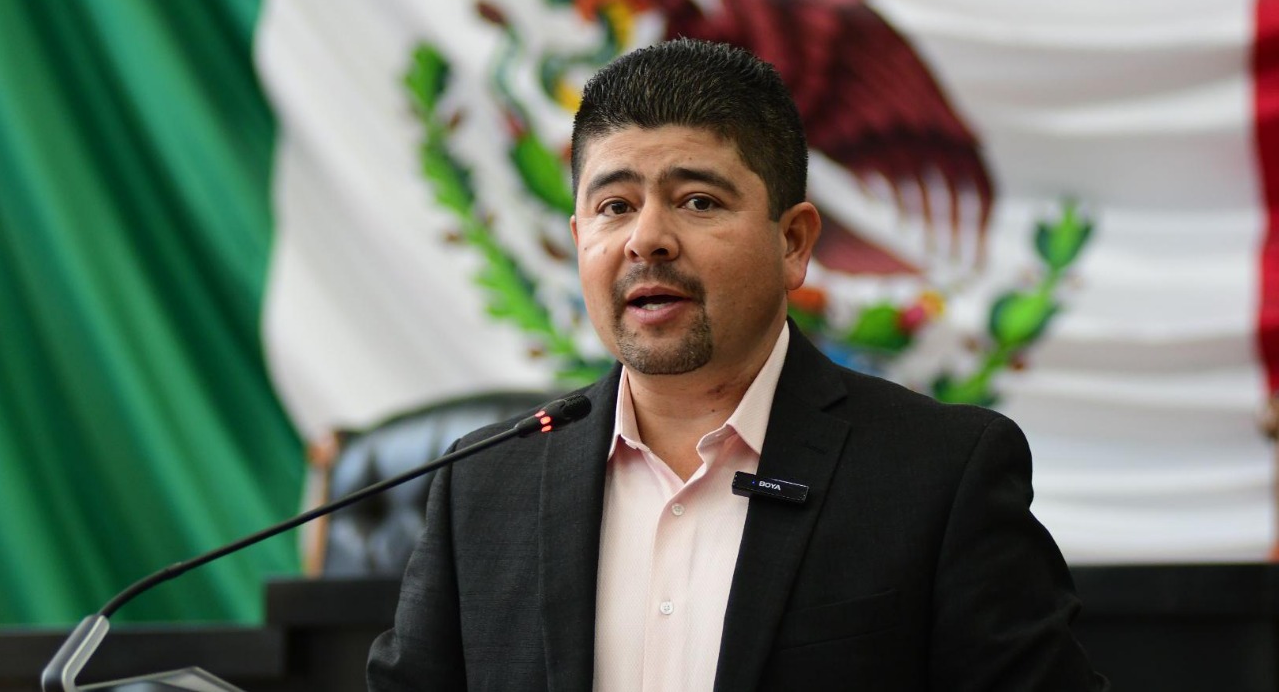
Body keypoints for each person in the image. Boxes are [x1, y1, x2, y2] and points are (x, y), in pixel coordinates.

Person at [367, 38, 1108, 691]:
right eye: (614, 206)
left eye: (696, 201)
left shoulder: (938, 475)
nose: (646, 239)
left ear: (793, 242)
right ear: (578, 238)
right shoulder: (484, 485)